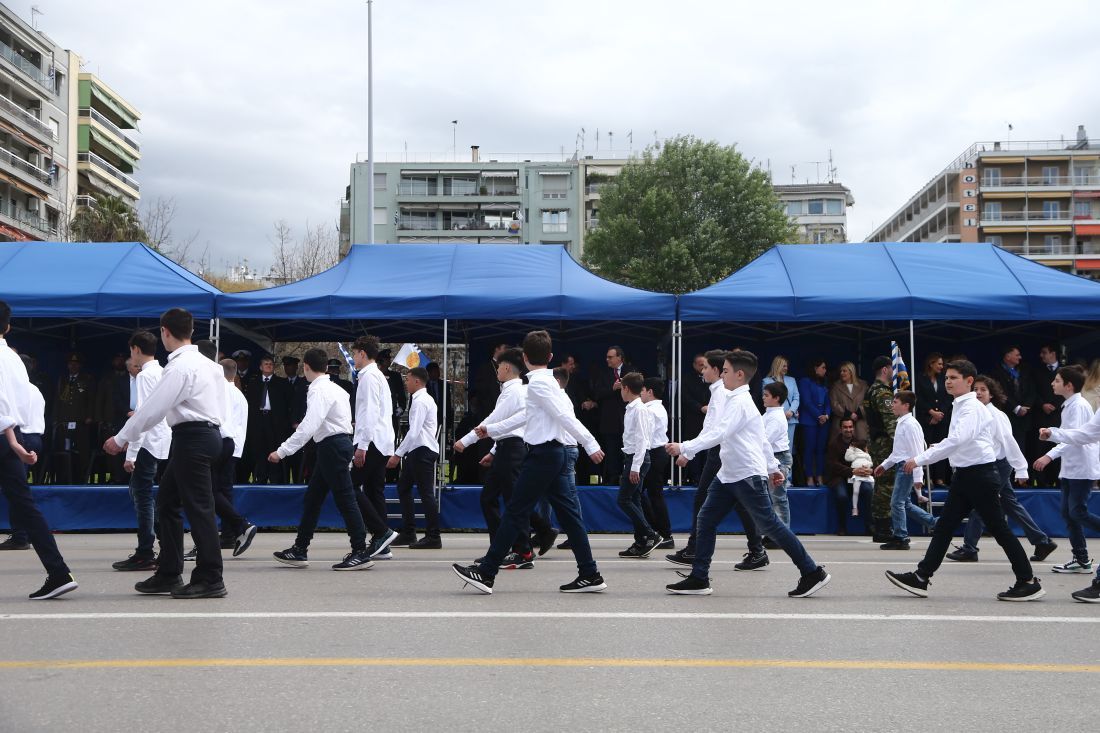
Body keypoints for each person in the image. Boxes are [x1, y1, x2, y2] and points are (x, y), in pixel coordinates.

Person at [665, 350, 832, 597]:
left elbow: (719, 433)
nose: (722, 375)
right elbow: (761, 440)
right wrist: (773, 468)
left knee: (771, 525)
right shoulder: (736, 400)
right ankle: (699, 577)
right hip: (729, 474)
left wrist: (684, 447)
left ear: (739, 375)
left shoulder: (740, 402)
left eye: (725, 371)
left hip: (745, 475)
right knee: (706, 520)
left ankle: (811, 571)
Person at [452, 330, 607, 594]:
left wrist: (591, 443)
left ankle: (487, 572)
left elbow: (563, 416)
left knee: (515, 511)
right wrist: (493, 430)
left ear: (524, 357)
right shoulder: (548, 383)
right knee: (569, 517)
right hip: (554, 453)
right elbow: (528, 416)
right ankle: (590, 573)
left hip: (544, 455)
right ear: (550, 356)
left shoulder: (536, 385)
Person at [884, 359, 1044, 602]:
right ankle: (921, 576)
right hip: (966, 475)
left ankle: (1027, 580)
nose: (948, 381)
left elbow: (958, 440)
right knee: (945, 527)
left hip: (979, 476)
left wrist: (920, 458)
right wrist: (937, 450)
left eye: (954, 377)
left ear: (969, 381)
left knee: (999, 530)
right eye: (946, 377)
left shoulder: (971, 408)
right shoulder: (960, 405)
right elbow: (961, 442)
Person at [105, 308, 228, 599]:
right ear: (191, 330)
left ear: (164, 332)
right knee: (167, 503)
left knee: (197, 508)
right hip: (206, 435)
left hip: (192, 438)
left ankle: (210, 577)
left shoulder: (180, 367)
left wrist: (122, 438)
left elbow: (153, 409)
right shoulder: (209, 365)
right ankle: (169, 572)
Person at [270, 348, 377, 571]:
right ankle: (300, 548)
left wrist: (282, 451)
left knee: (345, 499)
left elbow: (309, 425)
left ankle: (360, 551)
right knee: (313, 498)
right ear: (327, 367)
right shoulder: (337, 389)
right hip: (334, 445)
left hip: (332, 447)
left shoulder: (318, 390)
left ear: (306, 367)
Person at [1, 301, 77, 599]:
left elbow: (2, 403)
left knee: (25, 506)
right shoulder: (14, 359)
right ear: (8, 326)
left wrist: (12, 441)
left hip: (5, 435)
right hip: (13, 434)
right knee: (26, 507)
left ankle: (59, 573)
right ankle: (58, 571)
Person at [665, 350, 766, 571]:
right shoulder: (720, 391)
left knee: (705, 501)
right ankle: (756, 549)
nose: (702, 372)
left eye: (705, 367)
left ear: (718, 370)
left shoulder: (723, 393)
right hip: (719, 450)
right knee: (738, 503)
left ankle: (697, 550)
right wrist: (688, 452)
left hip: (721, 451)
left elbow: (716, 430)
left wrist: (685, 449)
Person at [945, 375, 1057, 563]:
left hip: (998, 465)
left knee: (981, 505)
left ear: (992, 395)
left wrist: (1021, 468)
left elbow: (1009, 442)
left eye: (983, 390)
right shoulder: (975, 411)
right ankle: (1041, 541)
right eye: (976, 389)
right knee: (1009, 504)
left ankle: (969, 548)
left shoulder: (995, 414)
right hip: (991, 465)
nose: (978, 393)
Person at [110, 330, 171, 572]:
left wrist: (131, 453)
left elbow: (144, 416)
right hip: (162, 441)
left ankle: (146, 550)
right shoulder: (162, 371)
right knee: (143, 494)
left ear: (136, 349)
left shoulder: (146, 376)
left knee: (142, 496)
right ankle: (162, 543)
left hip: (148, 443)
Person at [455, 348, 528, 547]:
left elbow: (493, 421)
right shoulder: (512, 391)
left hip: (511, 450)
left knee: (512, 502)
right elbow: (504, 424)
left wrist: (465, 440)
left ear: (506, 367)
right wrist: (494, 451)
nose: (496, 370)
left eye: (498, 367)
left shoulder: (512, 392)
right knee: (489, 498)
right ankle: (500, 547)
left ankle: (522, 548)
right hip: (505, 448)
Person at [1034, 365, 1100, 576]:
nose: (1053, 383)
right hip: (1072, 468)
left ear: (1069, 385)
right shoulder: (1070, 405)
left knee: (1076, 512)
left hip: (1081, 468)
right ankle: (1080, 559)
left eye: (1057, 380)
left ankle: (1081, 559)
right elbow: (1072, 436)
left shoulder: (1078, 406)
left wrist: (1050, 449)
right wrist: (1053, 444)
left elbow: (1077, 436)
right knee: (1069, 514)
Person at [349, 335, 400, 556]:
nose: (353, 358)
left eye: (354, 353)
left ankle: (381, 532)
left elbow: (369, 413)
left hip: (372, 443)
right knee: (373, 491)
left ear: (362, 353)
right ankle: (383, 545)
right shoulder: (377, 375)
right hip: (382, 441)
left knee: (349, 488)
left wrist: (362, 445)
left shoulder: (368, 377)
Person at [873, 390, 936, 550]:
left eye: (895, 402)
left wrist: (918, 477)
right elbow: (898, 452)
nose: (892, 405)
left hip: (907, 467)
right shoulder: (902, 423)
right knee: (904, 503)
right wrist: (885, 465)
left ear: (906, 405)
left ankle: (901, 537)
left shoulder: (910, 425)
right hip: (902, 465)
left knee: (897, 502)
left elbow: (917, 452)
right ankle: (936, 523)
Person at [389, 367, 441, 549]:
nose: (406, 383)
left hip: (422, 450)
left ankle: (433, 536)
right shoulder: (421, 399)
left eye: (408, 380)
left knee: (426, 493)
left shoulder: (421, 401)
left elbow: (414, 431)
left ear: (417, 381)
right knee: (403, 487)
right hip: (418, 450)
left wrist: (397, 454)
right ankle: (409, 532)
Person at [615, 372, 660, 558]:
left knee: (624, 499)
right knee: (634, 499)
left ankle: (650, 534)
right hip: (633, 457)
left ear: (626, 389)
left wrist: (635, 467)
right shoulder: (632, 408)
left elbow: (642, 439)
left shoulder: (639, 409)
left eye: (622, 388)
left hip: (637, 458)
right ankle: (641, 540)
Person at [863, 355, 898, 542]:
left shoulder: (870, 391)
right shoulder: (883, 393)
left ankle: (880, 526)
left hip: (876, 442)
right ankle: (884, 528)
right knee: (886, 486)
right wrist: (899, 444)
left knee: (881, 485)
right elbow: (890, 422)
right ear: (885, 369)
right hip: (885, 443)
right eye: (892, 368)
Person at [588, 345, 634, 486]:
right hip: (610, 420)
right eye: (607, 357)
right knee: (612, 451)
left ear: (619, 357)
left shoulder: (631, 371)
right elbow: (597, 394)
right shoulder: (603, 374)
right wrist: (612, 389)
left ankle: (629, 477)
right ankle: (613, 477)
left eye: (610, 357)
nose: (607, 359)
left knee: (629, 449)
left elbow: (639, 390)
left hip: (628, 419)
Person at [990, 345, 1036, 472]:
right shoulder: (996, 373)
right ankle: (1008, 476)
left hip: (1024, 417)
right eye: (1017, 355)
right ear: (1007, 356)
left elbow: (1032, 390)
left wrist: (1026, 407)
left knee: (1022, 446)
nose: (1020, 358)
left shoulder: (1024, 370)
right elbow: (1000, 393)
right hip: (1007, 415)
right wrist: (1016, 408)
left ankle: (1021, 476)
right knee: (1005, 447)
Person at [247, 354, 290, 484]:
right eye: (266, 364)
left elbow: (288, 404)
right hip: (258, 420)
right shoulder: (253, 383)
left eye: (271, 364)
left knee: (275, 448)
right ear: (260, 367)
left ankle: (276, 478)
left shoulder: (282, 383)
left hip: (275, 421)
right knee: (260, 449)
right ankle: (261, 477)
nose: (268, 366)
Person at [55, 351, 97, 484]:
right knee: (64, 449)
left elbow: (91, 399)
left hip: (81, 421)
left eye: (76, 364)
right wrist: (56, 418)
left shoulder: (87, 379)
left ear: (80, 366)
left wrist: (90, 416)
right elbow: (58, 400)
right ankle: (64, 477)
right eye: (71, 364)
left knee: (82, 451)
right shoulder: (63, 379)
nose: (73, 366)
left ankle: (81, 477)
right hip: (64, 421)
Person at [640, 377, 673, 548]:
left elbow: (647, 435)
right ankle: (660, 532)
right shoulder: (658, 407)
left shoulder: (650, 410)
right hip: (658, 452)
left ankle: (660, 532)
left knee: (644, 494)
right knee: (653, 494)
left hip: (653, 453)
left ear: (650, 392)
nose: (641, 394)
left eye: (642, 390)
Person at [915, 352, 951, 487]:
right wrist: (930, 412)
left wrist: (939, 413)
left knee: (941, 447)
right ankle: (928, 478)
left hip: (942, 419)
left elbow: (948, 397)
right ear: (931, 364)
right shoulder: (920, 378)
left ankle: (940, 478)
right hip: (926, 419)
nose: (942, 367)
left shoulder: (944, 379)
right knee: (927, 447)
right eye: (939, 364)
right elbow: (918, 398)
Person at [825, 417, 867, 533]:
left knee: (868, 489)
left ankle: (869, 525)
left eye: (850, 427)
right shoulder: (833, 444)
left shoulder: (859, 443)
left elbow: (864, 460)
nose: (848, 430)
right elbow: (833, 465)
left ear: (853, 428)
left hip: (856, 478)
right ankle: (842, 526)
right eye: (845, 427)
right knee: (842, 496)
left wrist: (866, 470)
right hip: (837, 477)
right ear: (840, 429)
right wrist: (852, 471)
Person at [1031, 343, 1064, 486]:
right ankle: (1041, 481)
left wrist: (1055, 406)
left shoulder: (1065, 370)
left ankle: (1057, 479)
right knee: (1040, 448)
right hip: (1041, 417)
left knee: (1058, 447)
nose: (1041, 355)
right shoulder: (1037, 372)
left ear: (1053, 353)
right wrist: (1042, 404)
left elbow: (1069, 390)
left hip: (1059, 416)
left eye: (1045, 352)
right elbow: (1033, 392)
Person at [762, 381, 793, 527]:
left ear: (777, 398)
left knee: (778, 497)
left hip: (779, 457)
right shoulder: (768, 414)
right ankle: (774, 531)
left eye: (767, 395)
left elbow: (765, 440)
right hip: (771, 457)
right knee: (771, 497)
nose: (763, 397)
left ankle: (782, 533)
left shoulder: (777, 418)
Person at [797, 357, 830, 486]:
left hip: (824, 422)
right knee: (809, 449)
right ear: (815, 368)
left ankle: (820, 476)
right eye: (823, 367)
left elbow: (828, 402)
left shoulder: (824, 383)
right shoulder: (805, 381)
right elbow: (806, 401)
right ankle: (809, 477)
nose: (825, 370)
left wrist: (826, 415)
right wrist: (819, 415)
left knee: (821, 450)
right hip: (809, 421)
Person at [762, 355, 799, 466]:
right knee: (772, 447)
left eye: (787, 366)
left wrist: (791, 411)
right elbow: (765, 398)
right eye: (784, 366)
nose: (786, 368)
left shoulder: (791, 380)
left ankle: (788, 479)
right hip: (775, 417)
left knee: (788, 449)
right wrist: (781, 413)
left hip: (790, 418)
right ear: (777, 366)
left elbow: (796, 397)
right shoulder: (766, 381)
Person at [682, 353, 712, 485]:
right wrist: (700, 407)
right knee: (694, 447)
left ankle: (707, 476)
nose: (703, 368)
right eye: (700, 365)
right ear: (694, 365)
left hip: (709, 418)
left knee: (708, 448)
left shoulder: (711, 378)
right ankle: (695, 477)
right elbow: (685, 397)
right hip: (693, 418)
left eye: (705, 365)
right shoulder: (687, 379)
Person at [282, 355, 309, 483]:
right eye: (286, 366)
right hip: (284, 427)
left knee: (299, 461)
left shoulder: (303, 383)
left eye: (291, 366)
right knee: (284, 461)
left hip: (299, 426)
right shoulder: (280, 383)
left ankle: (299, 482)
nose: (288, 368)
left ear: (296, 367)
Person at [830, 361, 868, 442]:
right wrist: (848, 414)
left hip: (859, 424)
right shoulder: (835, 386)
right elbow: (834, 403)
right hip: (841, 424)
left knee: (860, 449)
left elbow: (868, 402)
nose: (841, 373)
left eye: (844, 371)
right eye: (840, 371)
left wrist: (859, 413)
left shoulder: (863, 385)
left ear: (851, 372)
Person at [844, 439, 875, 518]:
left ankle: (873, 505)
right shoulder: (854, 455)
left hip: (866, 475)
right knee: (856, 491)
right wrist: (850, 448)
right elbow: (847, 458)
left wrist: (867, 467)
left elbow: (871, 463)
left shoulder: (867, 455)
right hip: (857, 476)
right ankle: (855, 508)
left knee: (873, 486)